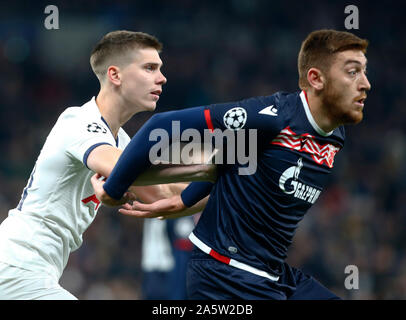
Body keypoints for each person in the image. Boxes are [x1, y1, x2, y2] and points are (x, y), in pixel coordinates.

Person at [91, 29, 371, 299]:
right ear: (316, 79)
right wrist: (114, 190)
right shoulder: (273, 117)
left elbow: (234, 154)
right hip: (224, 274)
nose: (365, 83)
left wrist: (185, 199)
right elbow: (161, 126)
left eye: (364, 71)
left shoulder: (335, 135)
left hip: (270, 274)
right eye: (352, 72)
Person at [0, 30, 213, 300]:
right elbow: (124, 169)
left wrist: (229, 192)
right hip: (17, 267)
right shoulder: (79, 121)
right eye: (149, 68)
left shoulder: (122, 142)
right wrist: (213, 168)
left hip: (30, 270)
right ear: (115, 75)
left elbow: (164, 196)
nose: (162, 78)